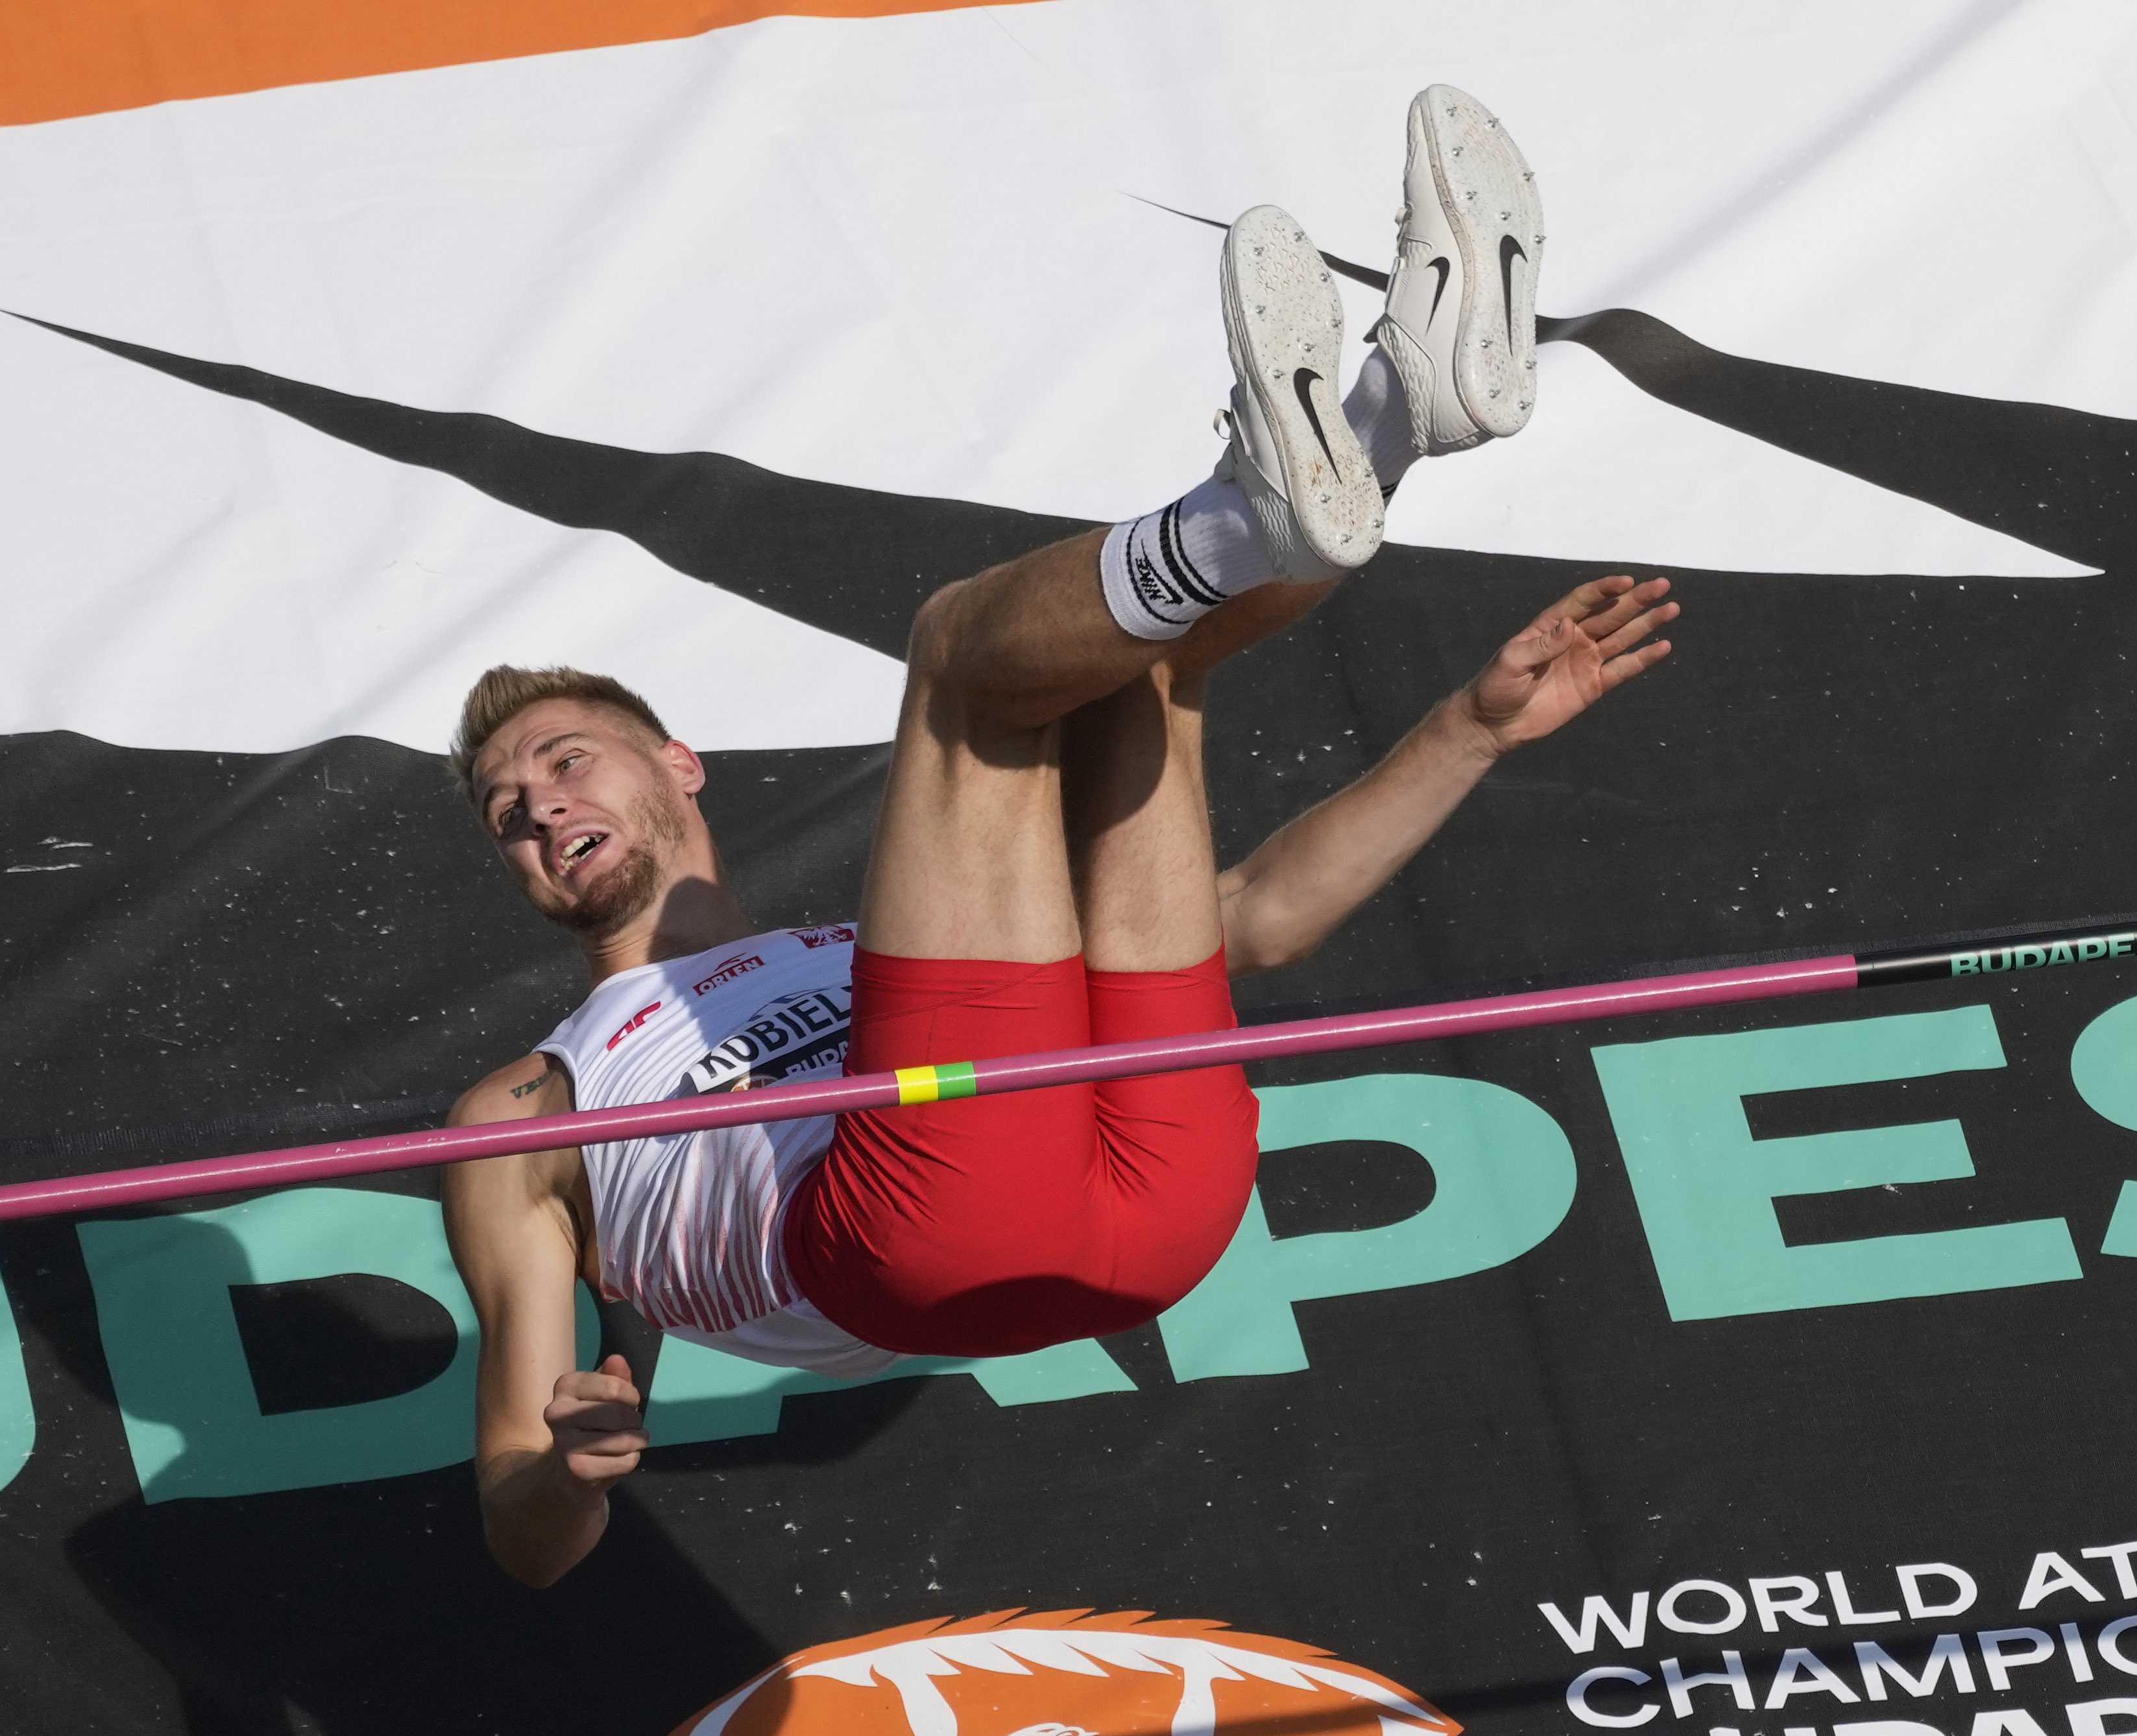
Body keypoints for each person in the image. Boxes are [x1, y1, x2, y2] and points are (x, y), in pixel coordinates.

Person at [445, 86, 1677, 1586]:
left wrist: (1466, 731)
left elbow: (1258, 919)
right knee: (959, 653)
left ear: (676, 765)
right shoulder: (525, 1106)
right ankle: (1278, 494)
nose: (539, 804)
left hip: (1151, 1199)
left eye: (565, 760)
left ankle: (1403, 412)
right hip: (915, 1235)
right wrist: (568, 1466)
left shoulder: (872, 948)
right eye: (508, 810)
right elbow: (526, 1530)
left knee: (1138, 678)